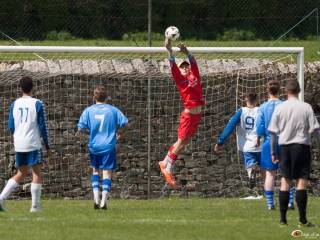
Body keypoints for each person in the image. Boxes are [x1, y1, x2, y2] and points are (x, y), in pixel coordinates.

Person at [268, 80, 320, 226]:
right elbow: (316, 130)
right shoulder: (306, 107)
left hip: (284, 148)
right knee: (301, 182)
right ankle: (302, 220)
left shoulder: (280, 108)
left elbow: (272, 133)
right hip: (302, 147)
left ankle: (283, 220)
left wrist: (273, 151)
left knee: (285, 181)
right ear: (299, 90)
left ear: (286, 91)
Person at [159, 38, 205, 188]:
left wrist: (187, 53)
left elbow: (194, 63)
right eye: (182, 67)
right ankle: (168, 168)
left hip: (196, 115)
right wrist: (169, 50)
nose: (185, 68)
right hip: (188, 115)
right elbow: (172, 64)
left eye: (186, 66)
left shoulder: (195, 76)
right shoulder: (180, 80)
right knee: (180, 141)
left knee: (184, 142)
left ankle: (164, 162)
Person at [0, 76, 50, 212]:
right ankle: (35, 207)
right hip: (33, 143)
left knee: (21, 172)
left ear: (20, 88)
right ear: (33, 87)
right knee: (37, 173)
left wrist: (18, 136)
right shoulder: (37, 103)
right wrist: (48, 145)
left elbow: (10, 126)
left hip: (19, 143)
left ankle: (1, 198)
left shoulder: (14, 104)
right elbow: (43, 126)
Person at [77, 85, 128, 209]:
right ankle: (104, 201)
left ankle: (95, 197)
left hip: (94, 146)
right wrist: (119, 133)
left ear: (94, 97)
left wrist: (88, 133)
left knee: (95, 170)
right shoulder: (113, 110)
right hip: (108, 146)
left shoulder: (88, 111)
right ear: (107, 97)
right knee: (107, 172)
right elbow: (125, 123)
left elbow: (80, 128)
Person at [256, 80, 295, 210]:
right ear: (280, 91)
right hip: (284, 141)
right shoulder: (285, 105)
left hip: (268, 142)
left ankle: (270, 204)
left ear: (268, 91)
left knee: (269, 175)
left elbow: (260, 128)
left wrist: (259, 136)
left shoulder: (262, 107)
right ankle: (290, 202)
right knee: (287, 173)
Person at [215, 93, 260, 187]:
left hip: (247, 146)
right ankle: (267, 190)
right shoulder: (260, 110)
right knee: (265, 168)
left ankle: (251, 172)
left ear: (246, 99)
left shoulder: (241, 111)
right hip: (261, 144)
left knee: (249, 164)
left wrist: (220, 141)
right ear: (257, 100)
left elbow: (230, 126)